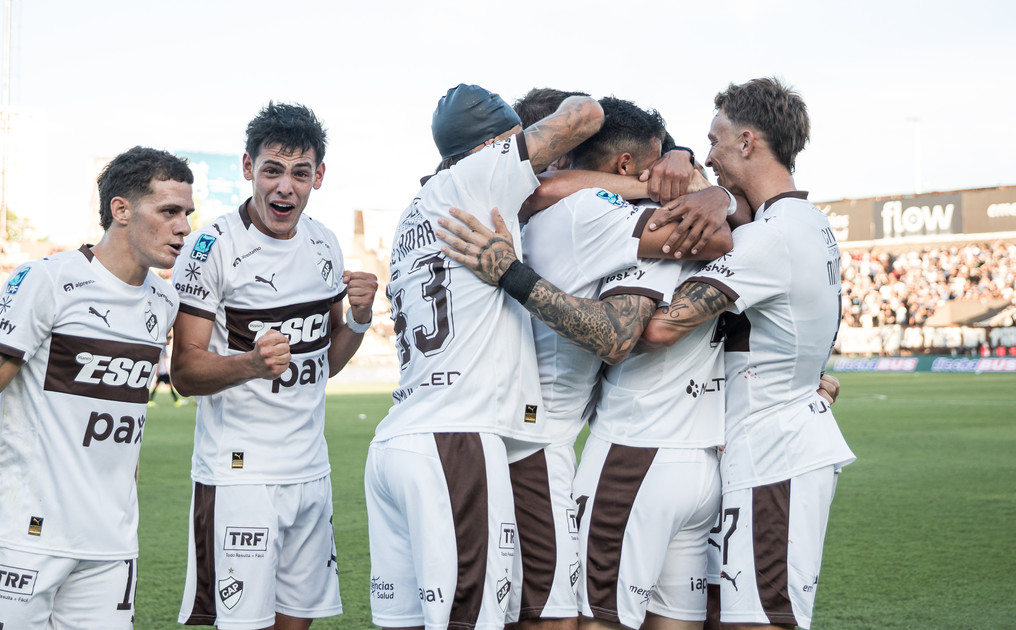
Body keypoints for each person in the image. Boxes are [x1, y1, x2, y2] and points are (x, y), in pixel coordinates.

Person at [437, 95, 734, 630]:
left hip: (484, 434)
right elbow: (717, 240)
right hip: (534, 446)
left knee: (502, 611)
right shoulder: (590, 211)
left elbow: (544, 187)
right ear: (627, 165)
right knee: (556, 618)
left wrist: (692, 170)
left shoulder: (504, 204)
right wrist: (691, 190)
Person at [0, 146, 194, 629]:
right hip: (23, 536)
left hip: (110, 543)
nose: (183, 227)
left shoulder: (163, 301)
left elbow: (126, 422)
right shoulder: (47, 281)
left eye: (186, 214)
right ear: (121, 210)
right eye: (169, 212)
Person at [364, 83, 602, 630]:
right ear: (493, 145)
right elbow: (584, 114)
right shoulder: (478, 177)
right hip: (455, 439)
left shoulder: (417, 210)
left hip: (401, 438)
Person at [637, 77, 856, 630]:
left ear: (747, 140)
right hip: (767, 444)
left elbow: (660, 328)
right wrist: (709, 186)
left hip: (775, 455)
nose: (708, 155)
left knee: (759, 621)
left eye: (714, 141)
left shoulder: (771, 238)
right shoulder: (804, 222)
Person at [171, 102, 377, 630]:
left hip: (311, 471)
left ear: (318, 177)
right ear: (248, 168)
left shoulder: (324, 242)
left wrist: (358, 320)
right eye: (272, 170)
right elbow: (185, 372)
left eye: (300, 173)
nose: (285, 188)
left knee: (297, 623)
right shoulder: (211, 246)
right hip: (240, 475)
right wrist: (251, 364)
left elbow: (324, 363)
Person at [148, 334, 184, 407]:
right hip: (163, 372)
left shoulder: (164, 348)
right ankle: (177, 401)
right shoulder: (163, 349)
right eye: (169, 340)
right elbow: (159, 360)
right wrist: (158, 370)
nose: (169, 341)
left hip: (163, 371)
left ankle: (150, 400)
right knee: (169, 387)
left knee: (159, 387)